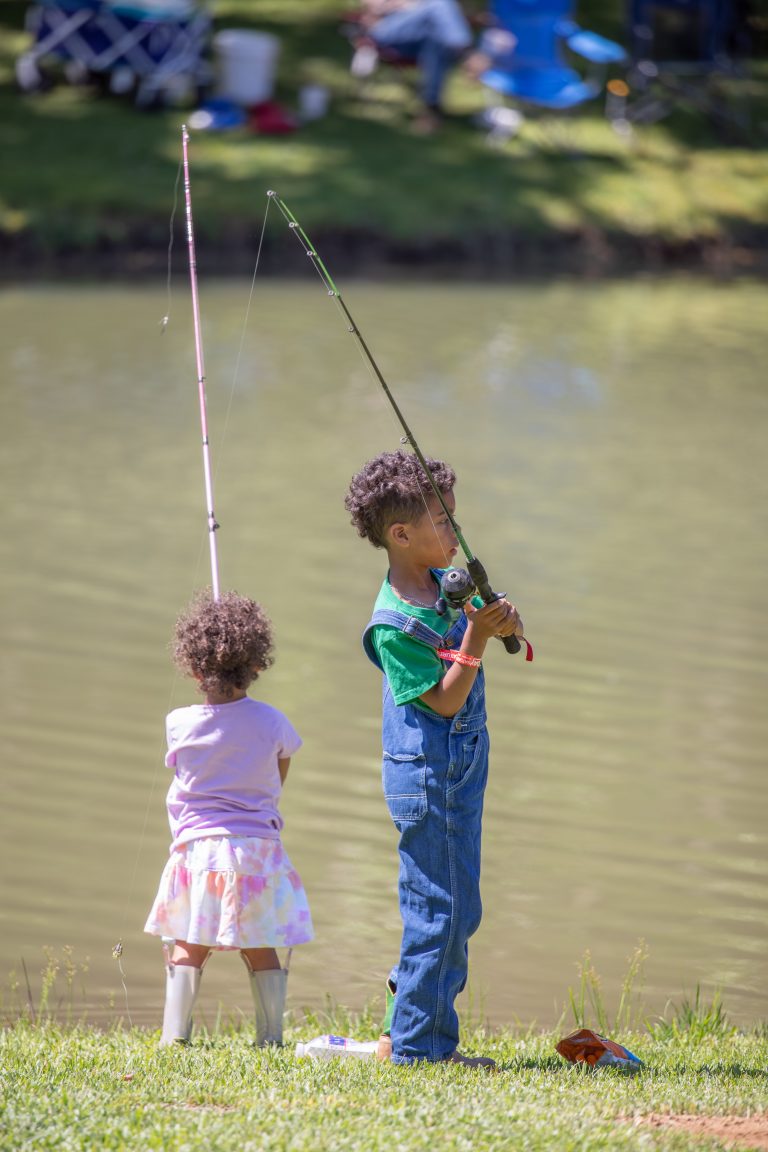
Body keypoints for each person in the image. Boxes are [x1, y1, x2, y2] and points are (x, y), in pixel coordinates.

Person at [344, 450, 525, 1068]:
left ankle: (406, 1029)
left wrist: (495, 623)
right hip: (428, 777)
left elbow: (467, 652)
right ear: (400, 535)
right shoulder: (392, 625)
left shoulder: (437, 588)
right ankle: (422, 1051)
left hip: (459, 771)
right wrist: (475, 636)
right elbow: (445, 705)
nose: (456, 533)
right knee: (439, 911)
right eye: (443, 522)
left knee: (456, 905)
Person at [144, 589, 313, 1046]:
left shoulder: (179, 723)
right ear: (255, 666)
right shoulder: (273, 722)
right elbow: (280, 771)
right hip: (256, 849)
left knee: (188, 943)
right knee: (261, 946)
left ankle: (174, 1037)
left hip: (199, 849)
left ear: (195, 669)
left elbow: (183, 772)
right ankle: (271, 1037)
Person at [352, 0, 475, 132]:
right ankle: (467, 54)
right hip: (384, 29)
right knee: (440, 4)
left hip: (418, 36)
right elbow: (371, 5)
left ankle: (431, 107)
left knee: (436, 41)